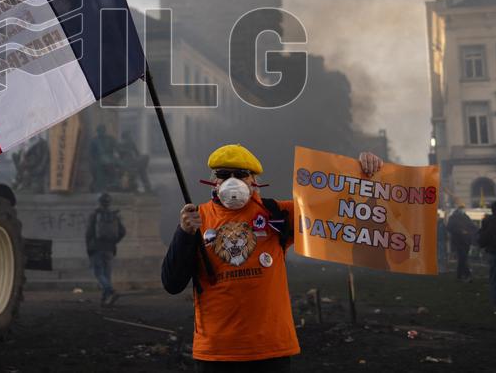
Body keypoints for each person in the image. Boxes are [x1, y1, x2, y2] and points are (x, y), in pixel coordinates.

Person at [161, 144, 383, 371]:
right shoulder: (196, 221)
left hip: (270, 352)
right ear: (213, 181)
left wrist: (363, 174)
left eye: (240, 174)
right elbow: (172, 283)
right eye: (223, 174)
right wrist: (183, 235)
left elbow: (336, 208)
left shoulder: (275, 214)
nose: (232, 180)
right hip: (215, 354)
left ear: (253, 180)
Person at [86, 192, 126, 306]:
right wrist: (114, 241)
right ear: (109, 202)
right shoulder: (114, 215)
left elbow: (89, 233)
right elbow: (123, 232)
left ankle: (111, 291)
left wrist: (88, 246)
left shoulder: (94, 214)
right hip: (109, 248)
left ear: (99, 202)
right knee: (107, 274)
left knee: (98, 273)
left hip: (96, 247)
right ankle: (104, 299)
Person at [447, 205, 476, 281]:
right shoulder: (453, 217)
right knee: (463, 257)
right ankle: (467, 274)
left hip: (466, 240)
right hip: (459, 241)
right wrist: (460, 231)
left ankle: (459, 275)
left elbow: (472, 226)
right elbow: (449, 228)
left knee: (462, 258)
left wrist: (469, 233)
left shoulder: (465, 217)